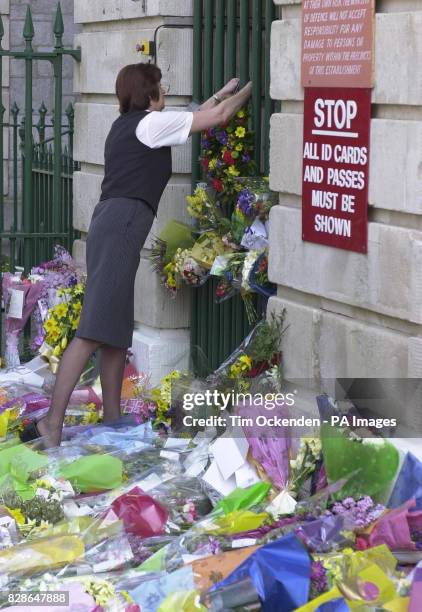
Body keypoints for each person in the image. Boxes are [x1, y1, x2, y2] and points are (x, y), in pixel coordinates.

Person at [20, 63, 253, 446]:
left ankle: (113, 421)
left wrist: (224, 89)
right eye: (161, 86)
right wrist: (252, 87)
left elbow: (196, 114)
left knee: (114, 331)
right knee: (93, 330)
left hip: (113, 224)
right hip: (123, 225)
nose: (165, 91)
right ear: (149, 94)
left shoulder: (128, 125)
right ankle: (51, 423)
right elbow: (217, 117)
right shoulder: (149, 124)